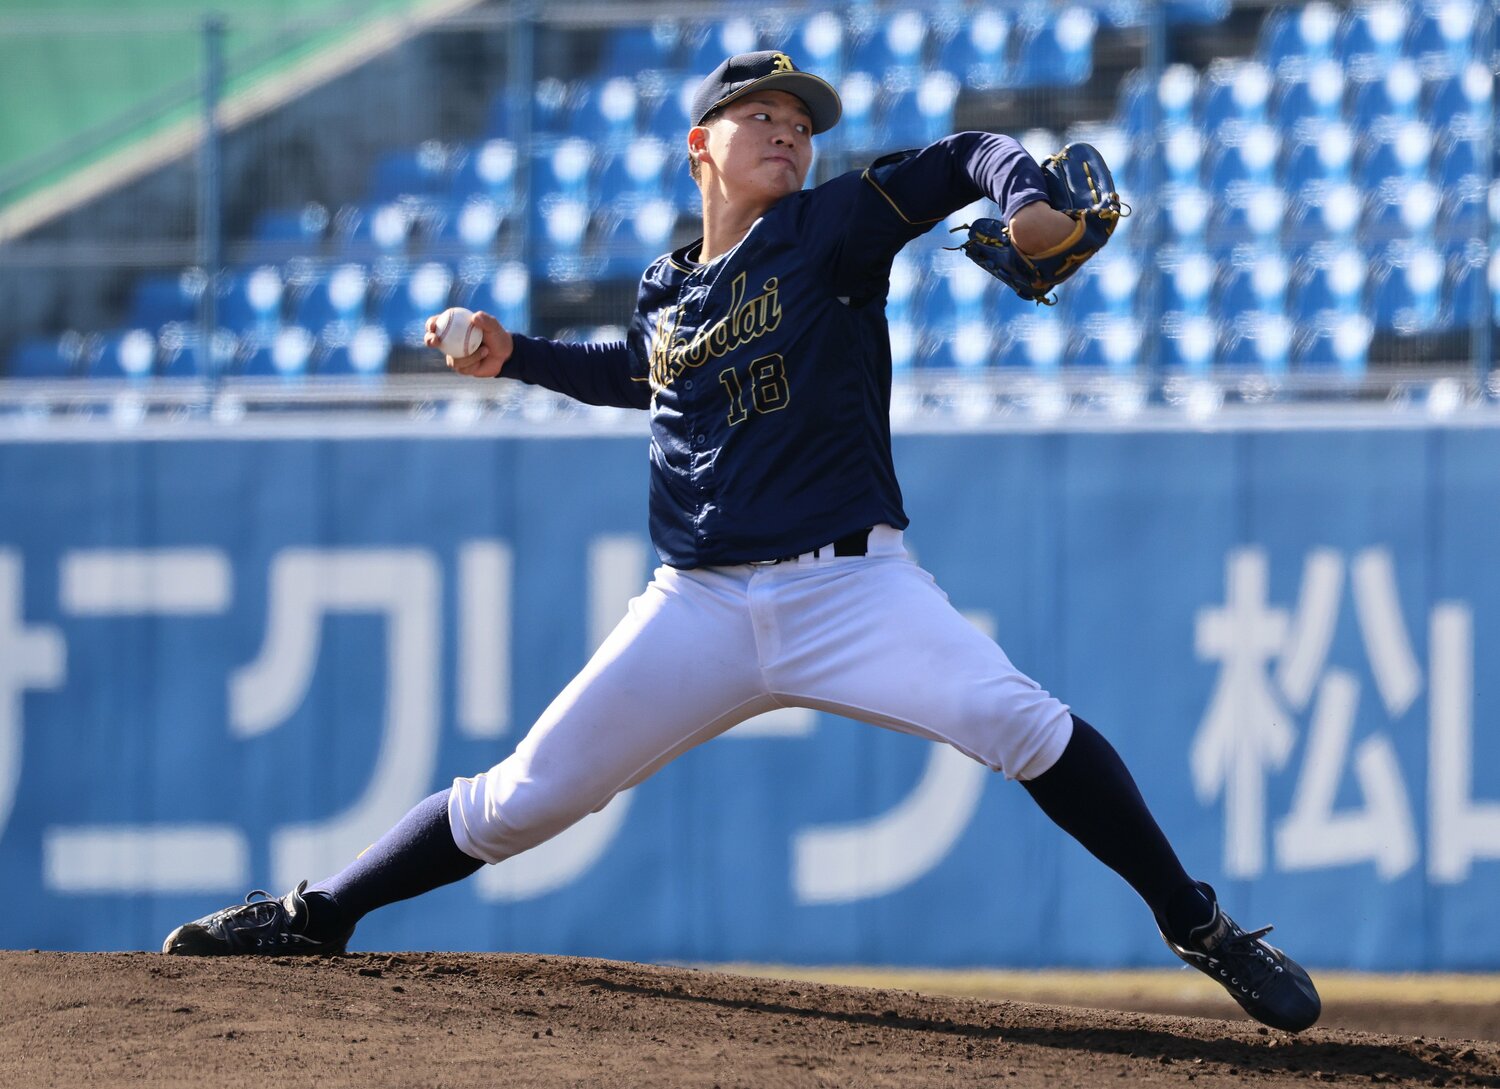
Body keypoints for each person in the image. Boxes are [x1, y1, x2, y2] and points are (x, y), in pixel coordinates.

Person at [163, 50, 1320, 1034]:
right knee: (518, 801)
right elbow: (636, 373)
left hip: (850, 592)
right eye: (761, 117)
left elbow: (968, 155)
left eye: (802, 123)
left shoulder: (830, 233)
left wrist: (1023, 194)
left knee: (1021, 722)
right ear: (698, 148)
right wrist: (510, 353)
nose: (790, 134)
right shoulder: (671, 289)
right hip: (697, 609)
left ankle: (1200, 926)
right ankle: (314, 915)